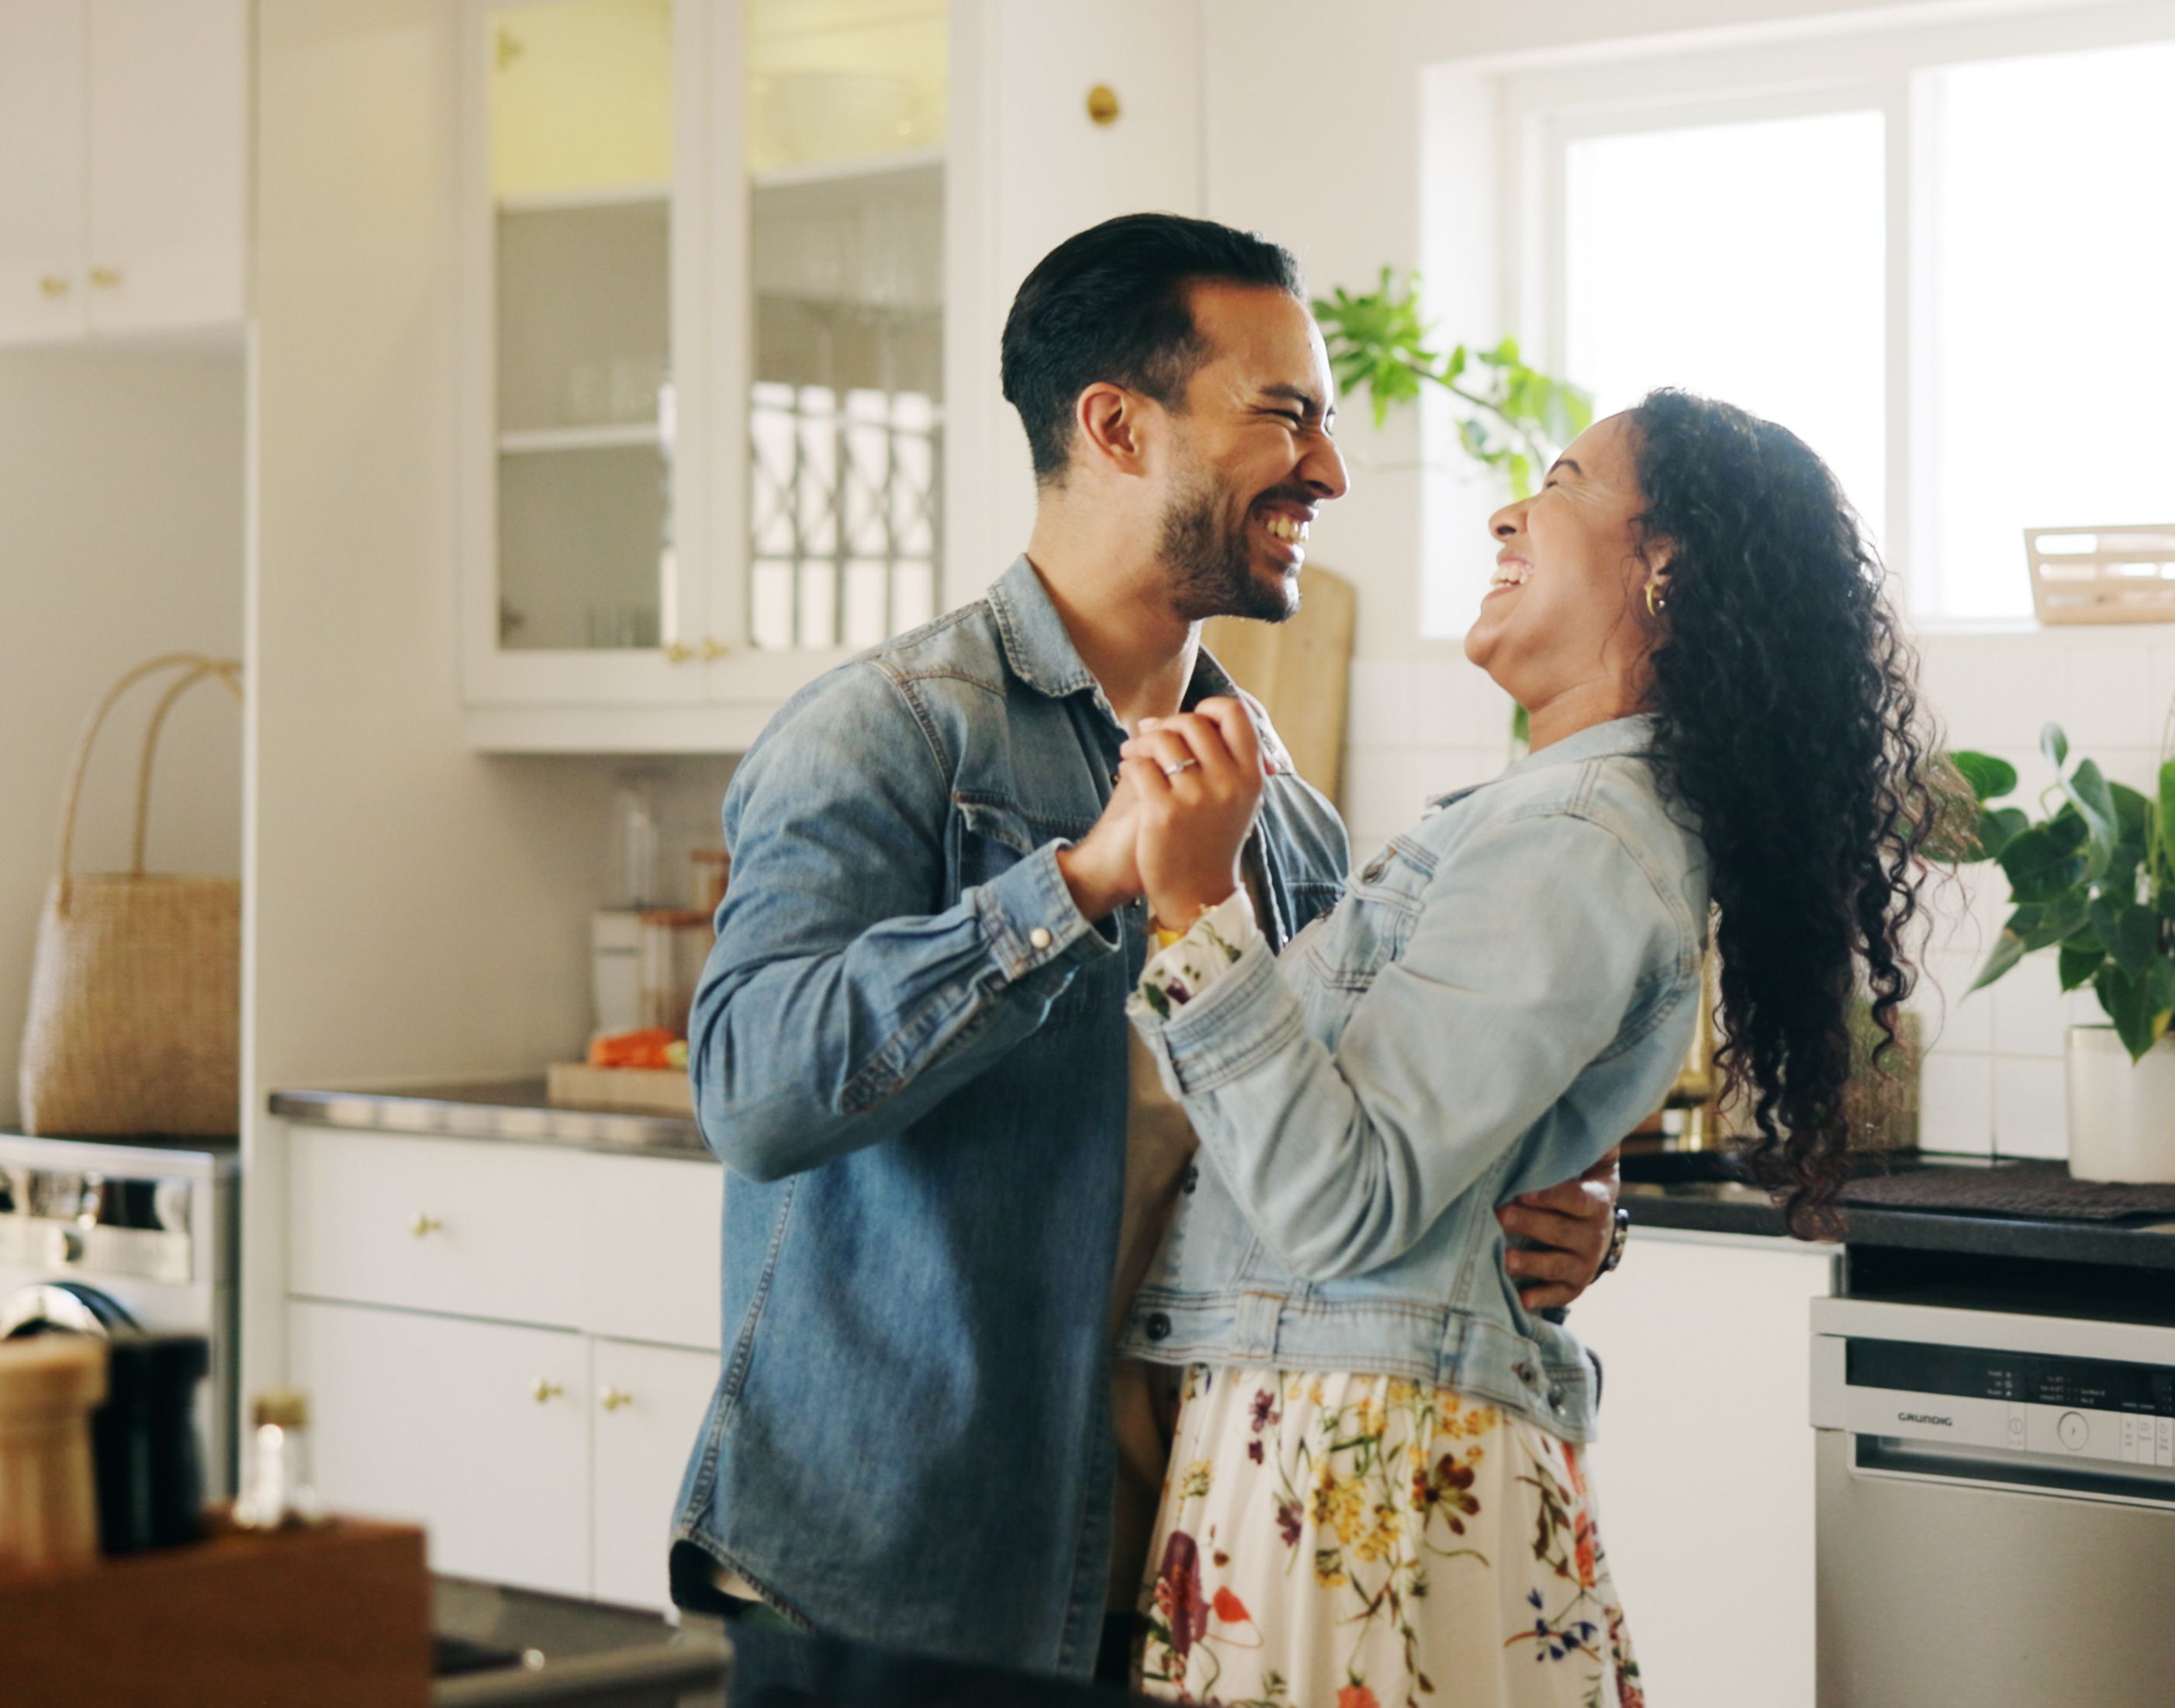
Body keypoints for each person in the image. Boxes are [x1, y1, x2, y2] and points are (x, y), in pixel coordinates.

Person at [669, 213, 1622, 1679]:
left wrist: (1544, 1215)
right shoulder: (893, 730)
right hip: (893, 1589)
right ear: (1116, 425)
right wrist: (1082, 882)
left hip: (1187, 1574)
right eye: (1284, 415)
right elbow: (752, 1090)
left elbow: (1325, 1173)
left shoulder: (1283, 817)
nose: (1329, 468)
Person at [1101, 389, 1937, 1704]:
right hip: (1345, 1439)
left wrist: (1199, 908)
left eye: (1557, 482)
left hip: (1354, 1460)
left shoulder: (1578, 834)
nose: (1506, 511)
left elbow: (1343, 1193)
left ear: (1667, 561)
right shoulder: (1564, 818)